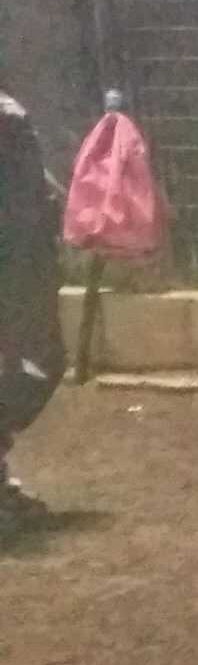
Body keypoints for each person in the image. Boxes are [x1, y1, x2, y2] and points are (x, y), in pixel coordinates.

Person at [0, 87, 62, 538]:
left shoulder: (9, 112)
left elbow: (29, 186)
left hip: (23, 261)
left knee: (43, 362)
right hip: (13, 263)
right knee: (30, 362)